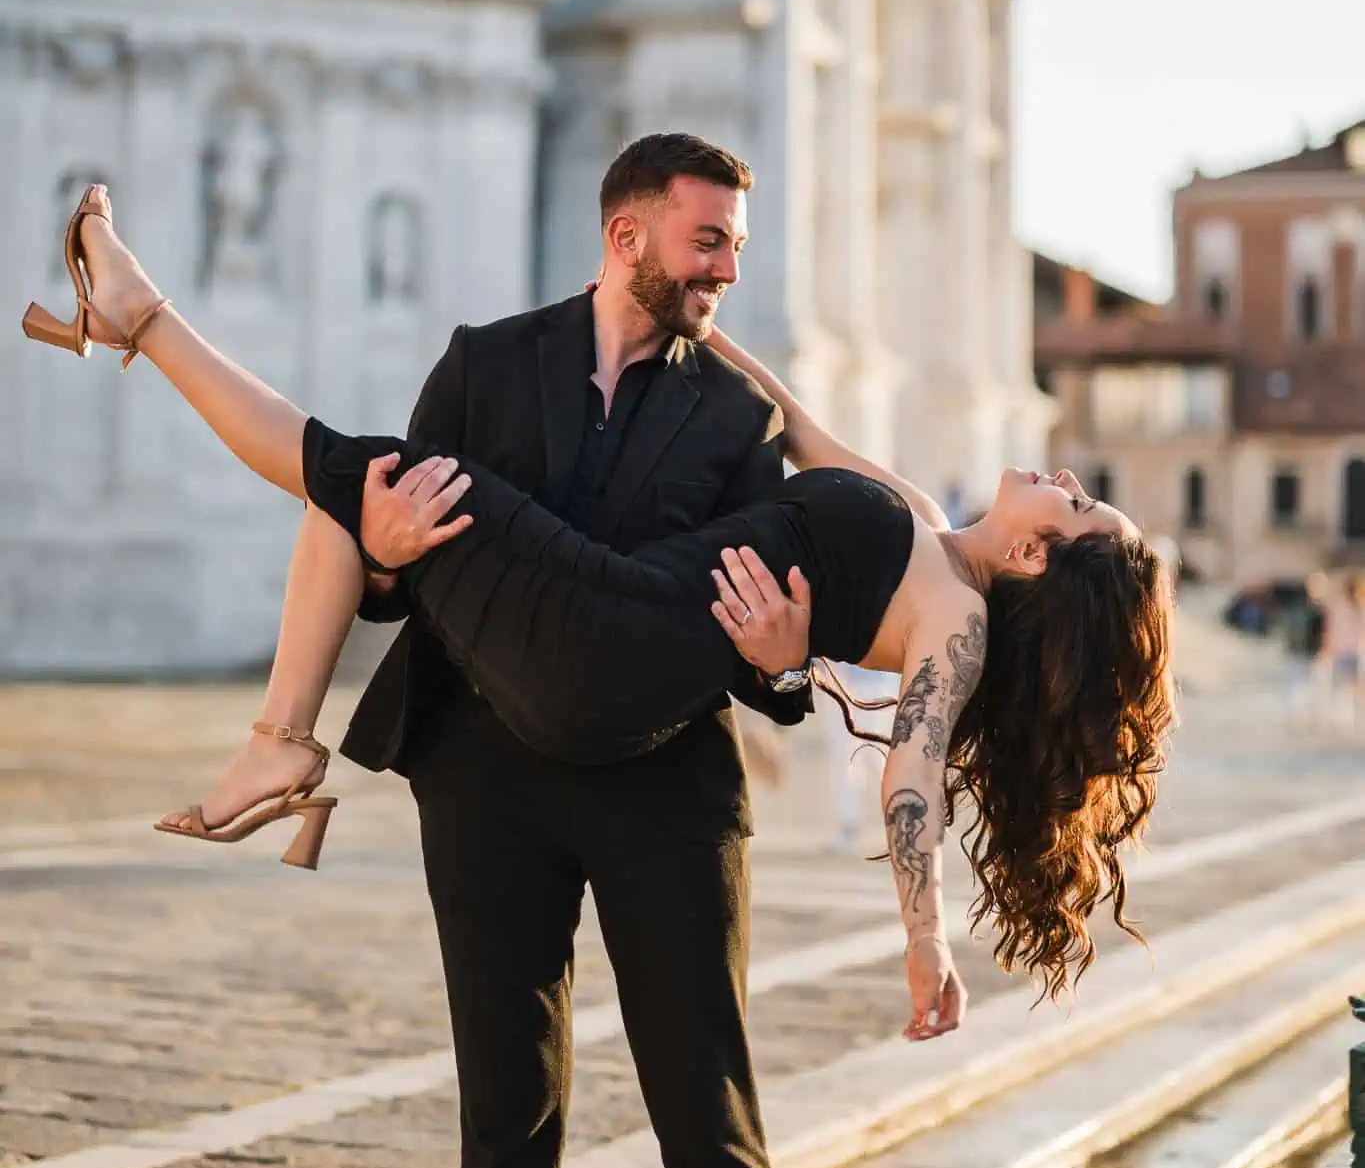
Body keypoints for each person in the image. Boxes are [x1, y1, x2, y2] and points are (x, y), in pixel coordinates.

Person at [26, 182, 1174, 1043]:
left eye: (1078, 505)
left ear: (1036, 556)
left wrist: (925, 944)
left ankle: (142, 318)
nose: (1065, 478)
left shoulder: (959, 620)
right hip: (611, 604)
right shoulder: (921, 518)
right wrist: (681, 308)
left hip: (611, 646)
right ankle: (278, 740)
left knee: (360, 470)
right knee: (364, 484)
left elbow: (911, 782)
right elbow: (794, 422)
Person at [23, 148, 811, 1168]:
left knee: (708, 1116)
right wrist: (386, 557)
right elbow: (402, 562)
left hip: (664, 787)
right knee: (505, 1116)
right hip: (486, 777)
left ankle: (142, 320)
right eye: (710, 240)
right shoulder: (485, 361)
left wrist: (783, 667)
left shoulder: (738, 415)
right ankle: (141, 314)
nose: (728, 267)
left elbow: (750, 624)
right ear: (626, 236)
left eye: (734, 243)